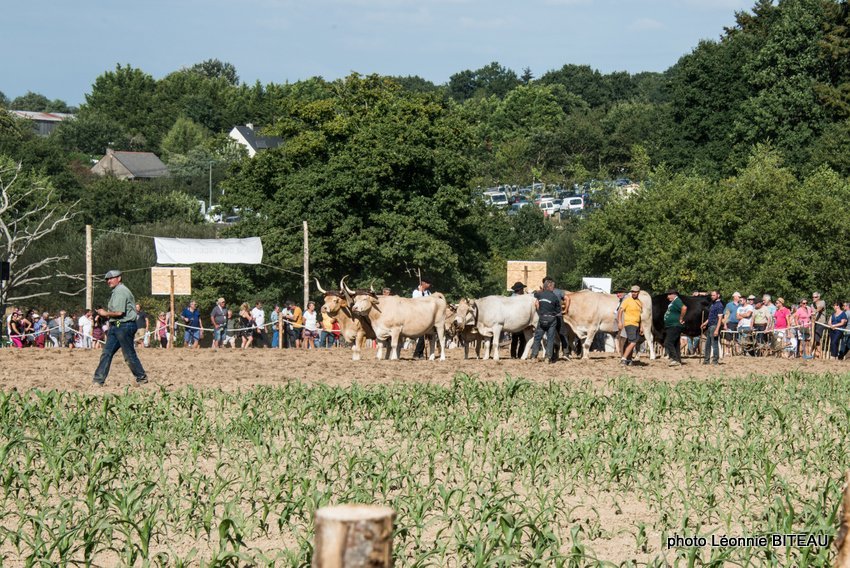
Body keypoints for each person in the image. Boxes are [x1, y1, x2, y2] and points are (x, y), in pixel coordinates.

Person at [92, 270, 147, 386]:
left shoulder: (121, 291)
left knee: (128, 354)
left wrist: (104, 313)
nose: (108, 281)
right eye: (107, 279)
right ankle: (98, 380)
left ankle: (141, 377)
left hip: (124, 325)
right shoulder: (116, 291)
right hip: (117, 325)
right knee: (106, 353)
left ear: (119, 278)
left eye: (111, 278)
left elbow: (119, 312)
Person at [529, 277, 561, 364]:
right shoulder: (554, 297)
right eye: (553, 286)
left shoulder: (540, 295)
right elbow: (558, 310)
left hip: (542, 318)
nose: (554, 288)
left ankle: (533, 356)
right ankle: (548, 357)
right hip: (551, 319)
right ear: (549, 286)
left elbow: (534, 295)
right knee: (550, 339)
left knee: (537, 338)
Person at [618, 285, 643, 365]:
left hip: (637, 324)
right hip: (629, 323)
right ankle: (624, 358)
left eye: (635, 292)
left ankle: (628, 359)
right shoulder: (627, 300)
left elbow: (640, 315)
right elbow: (620, 311)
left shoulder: (640, 302)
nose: (634, 293)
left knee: (631, 342)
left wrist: (641, 326)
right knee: (633, 342)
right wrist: (620, 322)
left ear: (638, 292)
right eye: (632, 292)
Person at [663, 289, 687, 366]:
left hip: (674, 325)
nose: (667, 297)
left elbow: (684, 308)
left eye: (669, 294)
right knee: (676, 344)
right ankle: (678, 360)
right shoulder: (674, 302)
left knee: (668, 342)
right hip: (672, 325)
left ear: (674, 294)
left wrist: (681, 318)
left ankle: (674, 359)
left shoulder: (677, 300)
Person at [701, 290, 724, 365]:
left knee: (714, 344)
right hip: (710, 326)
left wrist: (717, 329)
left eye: (714, 295)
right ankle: (706, 360)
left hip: (715, 326)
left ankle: (715, 361)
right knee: (707, 344)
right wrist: (705, 323)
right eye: (711, 295)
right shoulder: (713, 304)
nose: (712, 297)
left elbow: (720, 318)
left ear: (718, 295)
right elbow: (710, 317)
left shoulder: (719, 305)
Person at [412, 278, 432, 359]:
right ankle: (417, 353)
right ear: (423, 283)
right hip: (418, 315)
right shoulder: (416, 291)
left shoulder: (428, 292)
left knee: (425, 335)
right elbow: (417, 301)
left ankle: (420, 353)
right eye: (428, 283)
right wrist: (420, 292)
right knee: (422, 335)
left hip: (426, 315)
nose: (429, 285)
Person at [509, 281, 528, 359]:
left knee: (514, 339)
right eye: (522, 289)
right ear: (520, 290)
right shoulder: (521, 298)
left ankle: (513, 355)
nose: (523, 290)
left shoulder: (511, 298)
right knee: (522, 339)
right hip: (520, 319)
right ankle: (520, 354)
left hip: (513, 320)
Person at [812, 292, 827, 358]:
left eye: (815, 297)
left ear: (819, 297)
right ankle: (815, 353)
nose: (814, 298)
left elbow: (820, 308)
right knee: (813, 338)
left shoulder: (822, 302)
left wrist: (815, 311)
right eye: (813, 297)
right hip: (813, 323)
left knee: (817, 338)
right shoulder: (812, 304)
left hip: (820, 323)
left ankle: (819, 353)